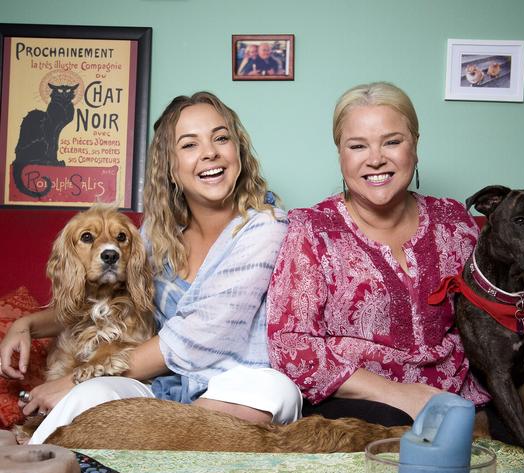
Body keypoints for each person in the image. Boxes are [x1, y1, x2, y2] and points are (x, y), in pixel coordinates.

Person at [0, 91, 302, 444]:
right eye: (190, 145)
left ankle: (168, 450)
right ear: (170, 167)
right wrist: (27, 325)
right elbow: (100, 302)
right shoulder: (155, 236)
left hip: (230, 385)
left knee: (271, 388)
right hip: (160, 389)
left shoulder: (265, 226)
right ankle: (29, 465)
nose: (210, 152)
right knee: (88, 398)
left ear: (239, 152)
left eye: (221, 138)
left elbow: (200, 337)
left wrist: (76, 378)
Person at [266, 82, 490, 427]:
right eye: (357, 146)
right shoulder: (312, 230)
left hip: (461, 399)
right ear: (340, 154)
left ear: (415, 145)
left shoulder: (453, 222)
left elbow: (491, 316)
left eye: (392, 141)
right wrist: (397, 394)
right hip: (358, 405)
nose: (375, 159)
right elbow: (291, 347)